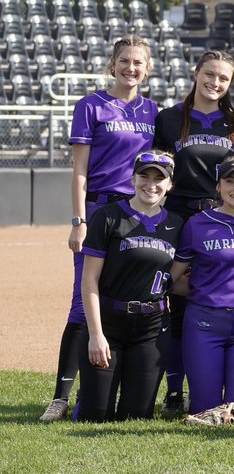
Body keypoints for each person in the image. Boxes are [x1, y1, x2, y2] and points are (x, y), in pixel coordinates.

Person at [43, 36, 158, 423]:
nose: (130, 68)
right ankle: (61, 396)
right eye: (124, 60)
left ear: (147, 69)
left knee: (122, 296)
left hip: (138, 211)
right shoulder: (91, 105)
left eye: (138, 62)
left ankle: (105, 388)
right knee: (82, 302)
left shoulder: (152, 111)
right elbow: (79, 170)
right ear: (113, 64)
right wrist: (78, 221)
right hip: (99, 209)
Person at [153, 49, 234, 415]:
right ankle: (175, 390)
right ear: (195, 73)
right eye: (210, 74)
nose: (215, 82)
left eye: (223, 78)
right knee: (177, 303)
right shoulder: (169, 118)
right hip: (179, 217)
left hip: (220, 219)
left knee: (216, 300)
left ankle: (210, 386)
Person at [75, 151, 181, 421]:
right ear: (133, 179)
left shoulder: (177, 224)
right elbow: (89, 281)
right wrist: (95, 335)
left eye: (159, 178)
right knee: (95, 416)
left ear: (170, 184)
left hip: (151, 328)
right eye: (144, 176)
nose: (151, 184)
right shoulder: (109, 216)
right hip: (109, 322)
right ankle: (85, 397)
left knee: (136, 416)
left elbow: (177, 279)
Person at [169, 156, 234, 422]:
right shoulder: (197, 224)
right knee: (205, 410)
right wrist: (205, 289)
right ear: (218, 186)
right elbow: (173, 277)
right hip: (205, 322)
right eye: (230, 181)